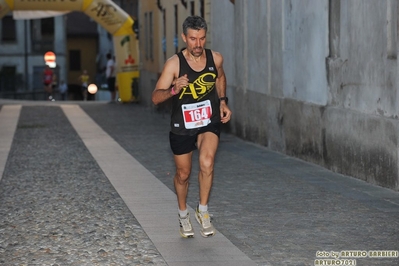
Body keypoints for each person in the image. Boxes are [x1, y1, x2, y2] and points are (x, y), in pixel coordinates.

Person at [152, 16, 232, 238]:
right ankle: (183, 213)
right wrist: (173, 90)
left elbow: (220, 77)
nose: (198, 44)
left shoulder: (215, 58)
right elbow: (156, 98)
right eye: (193, 39)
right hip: (182, 123)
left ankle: (203, 211)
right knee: (183, 173)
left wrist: (223, 101)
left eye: (202, 39)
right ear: (184, 38)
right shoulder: (174, 64)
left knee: (207, 162)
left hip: (209, 119)